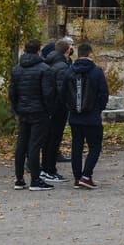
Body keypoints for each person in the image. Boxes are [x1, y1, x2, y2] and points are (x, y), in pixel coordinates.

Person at [9, 38, 55, 191]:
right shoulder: (44, 69)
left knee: (21, 145)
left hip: (23, 111)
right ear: (38, 50)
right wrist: (49, 111)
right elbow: (48, 94)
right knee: (34, 146)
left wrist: (17, 108)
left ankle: (19, 178)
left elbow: (12, 93)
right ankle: (35, 179)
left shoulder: (17, 69)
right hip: (39, 112)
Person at [64, 43, 110, 189]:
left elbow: (63, 93)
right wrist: (98, 109)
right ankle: (86, 175)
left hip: (75, 116)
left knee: (76, 147)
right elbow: (104, 94)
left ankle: (77, 177)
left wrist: (70, 108)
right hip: (92, 116)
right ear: (90, 54)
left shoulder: (69, 71)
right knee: (95, 146)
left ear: (78, 54)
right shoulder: (96, 71)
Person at [40, 39, 73, 183]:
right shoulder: (62, 67)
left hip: (50, 110)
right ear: (67, 50)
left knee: (49, 141)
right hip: (57, 110)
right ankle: (50, 170)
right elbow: (62, 91)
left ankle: (46, 169)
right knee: (53, 140)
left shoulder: (50, 62)